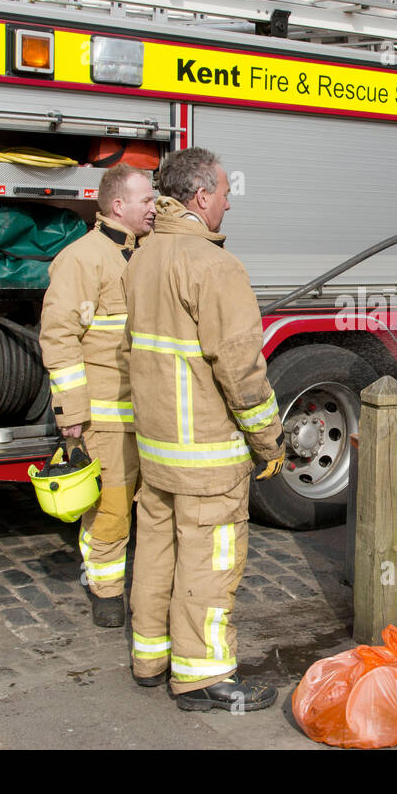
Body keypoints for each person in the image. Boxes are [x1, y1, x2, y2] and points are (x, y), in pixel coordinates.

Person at [122, 147, 284, 711]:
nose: (228, 202)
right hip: (208, 456)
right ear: (200, 198)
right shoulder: (215, 266)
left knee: (157, 553)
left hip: (157, 449)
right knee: (210, 562)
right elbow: (240, 368)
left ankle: (151, 658)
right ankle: (204, 675)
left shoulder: (141, 257)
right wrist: (270, 441)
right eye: (223, 192)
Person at [39, 162, 156, 627]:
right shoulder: (82, 259)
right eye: (146, 200)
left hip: (153, 414)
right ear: (117, 205)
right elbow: (59, 337)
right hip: (105, 419)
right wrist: (72, 414)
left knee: (151, 509)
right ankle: (105, 590)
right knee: (110, 509)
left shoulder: (149, 254)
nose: (154, 208)